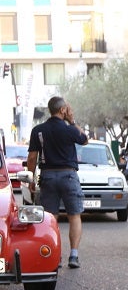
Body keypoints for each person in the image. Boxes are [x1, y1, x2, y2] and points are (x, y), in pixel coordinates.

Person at [25, 96, 89, 268]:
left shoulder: (38, 130)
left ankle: (54, 256)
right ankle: (74, 256)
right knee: (74, 215)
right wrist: (72, 120)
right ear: (62, 110)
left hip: (48, 176)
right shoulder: (70, 129)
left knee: (50, 218)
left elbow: (32, 157)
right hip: (68, 175)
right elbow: (85, 139)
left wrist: (30, 178)